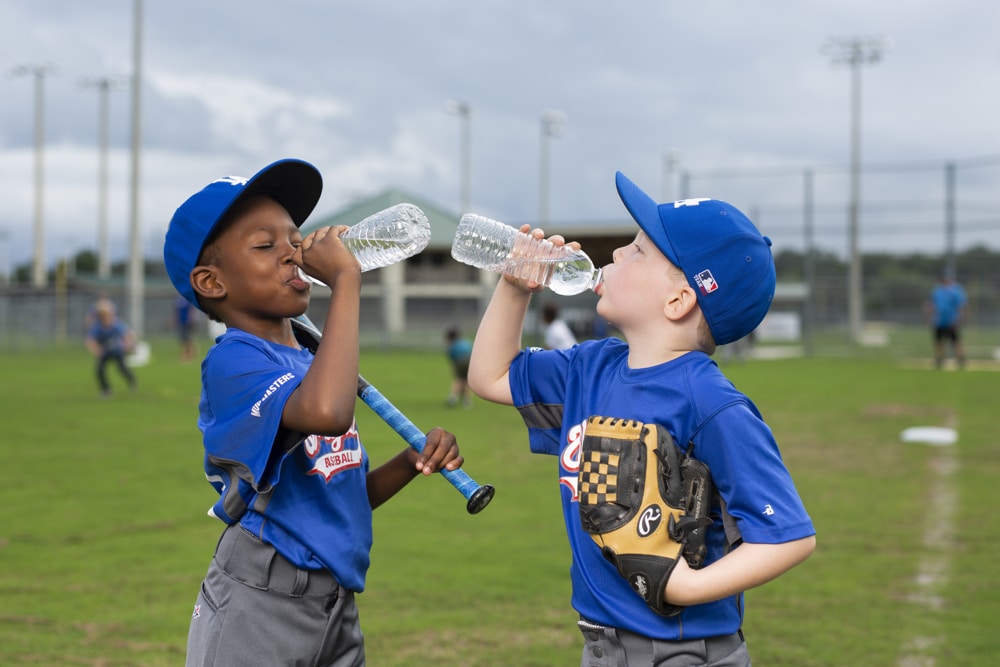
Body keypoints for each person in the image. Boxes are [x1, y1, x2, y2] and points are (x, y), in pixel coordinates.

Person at [468, 172, 816, 667]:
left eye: (637, 251)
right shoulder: (590, 367)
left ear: (679, 300)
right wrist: (513, 287)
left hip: (683, 652)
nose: (614, 256)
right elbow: (491, 375)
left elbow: (789, 537)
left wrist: (689, 586)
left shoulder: (710, 403)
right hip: (603, 646)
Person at [163, 158, 466, 667]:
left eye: (295, 238)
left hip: (333, 602)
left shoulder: (311, 359)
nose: (295, 254)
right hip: (261, 602)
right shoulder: (234, 360)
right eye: (265, 246)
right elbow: (326, 412)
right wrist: (347, 281)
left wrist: (413, 461)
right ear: (212, 282)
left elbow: (342, 499)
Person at [85, 297, 137, 397]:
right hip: (105, 352)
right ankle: (106, 390)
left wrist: (129, 345)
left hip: (118, 351)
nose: (107, 317)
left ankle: (132, 381)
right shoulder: (97, 327)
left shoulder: (116, 325)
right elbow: (90, 341)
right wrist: (96, 350)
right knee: (99, 370)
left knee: (122, 368)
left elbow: (127, 335)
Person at [924, 273, 967, 369]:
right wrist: (929, 316)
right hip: (939, 320)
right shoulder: (937, 291)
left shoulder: (956, 291)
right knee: (938, 341)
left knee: (955, 341)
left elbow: (961, 306)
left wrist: (959, 319)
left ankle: (961, 359)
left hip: (951, 320)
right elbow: (931, 304)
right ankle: (940, 359)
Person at [444, 325, 473, 408]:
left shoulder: (452, 346)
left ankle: (453, 397)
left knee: (459, 379)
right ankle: (467, 401)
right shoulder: (466, 342)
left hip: (460, 361)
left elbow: (453, 359)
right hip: (470, 360)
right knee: (467, 381)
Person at [175, 293, 198, 362]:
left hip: (187, 322)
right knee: (183, 339)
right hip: (181, 321)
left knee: (187, 338)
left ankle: (188, 354)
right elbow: (177, 311)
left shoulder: (188, 299)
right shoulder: (179, 299)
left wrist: (190, 319)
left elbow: (191, 310)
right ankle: (192, 350)